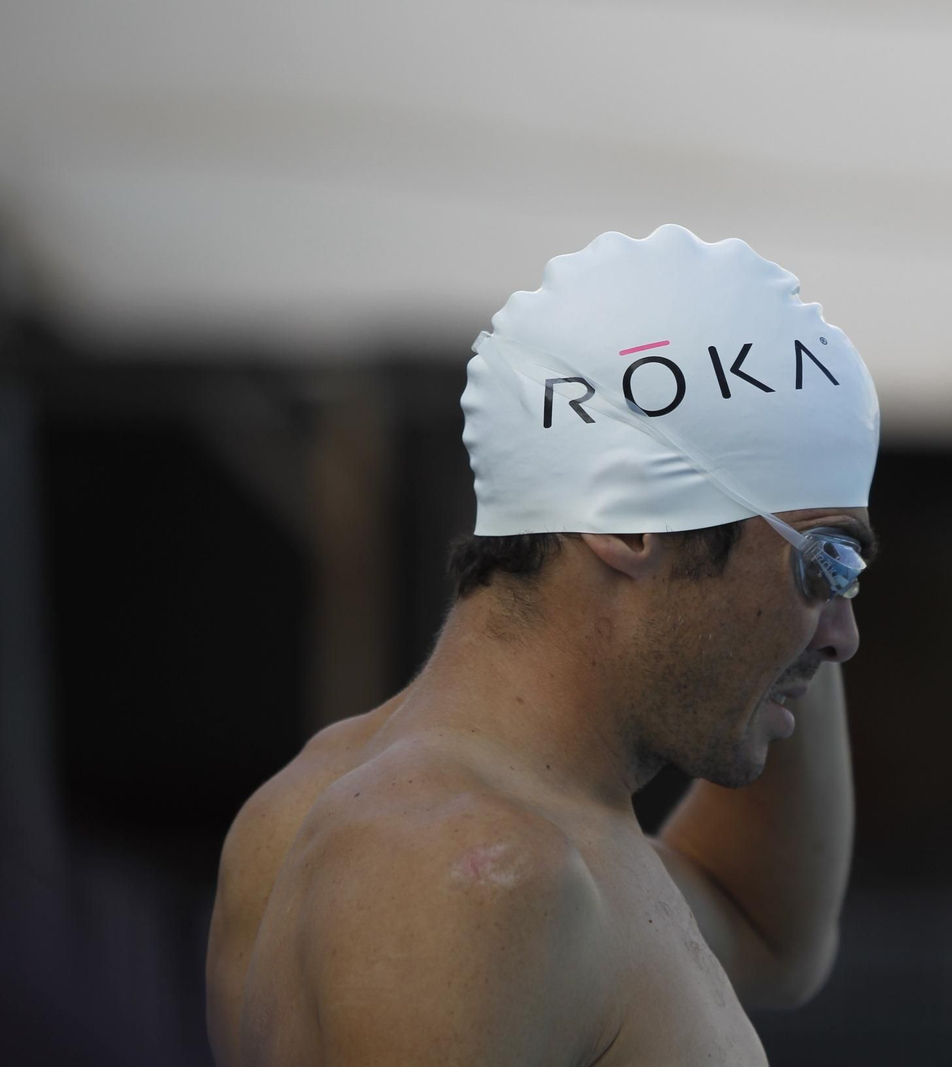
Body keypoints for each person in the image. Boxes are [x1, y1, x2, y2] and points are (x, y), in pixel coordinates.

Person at [204, 224, 882, 1065]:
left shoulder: (363, 812)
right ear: (630, 523)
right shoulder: (464, 871)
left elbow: (768, 930)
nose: (846, 636)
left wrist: (800, 577)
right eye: (824, 564)